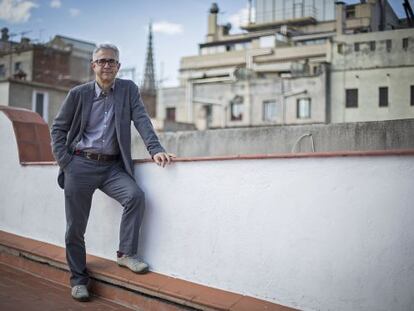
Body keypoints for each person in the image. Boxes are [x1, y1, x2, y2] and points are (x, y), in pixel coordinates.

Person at [51, 43, 174, 302]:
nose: (107, 65)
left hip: (111, 167)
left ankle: (126, 254)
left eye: (112, 61)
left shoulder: (128, 90)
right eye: (102, 61)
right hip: (80, 165)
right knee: (75, 227)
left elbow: (141, 120)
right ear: (93, 65)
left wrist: (155, 149)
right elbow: (58, 129)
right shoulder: (78, 94)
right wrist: (66, 162)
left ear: (118, 67)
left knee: (135, 197)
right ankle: (78, 280)